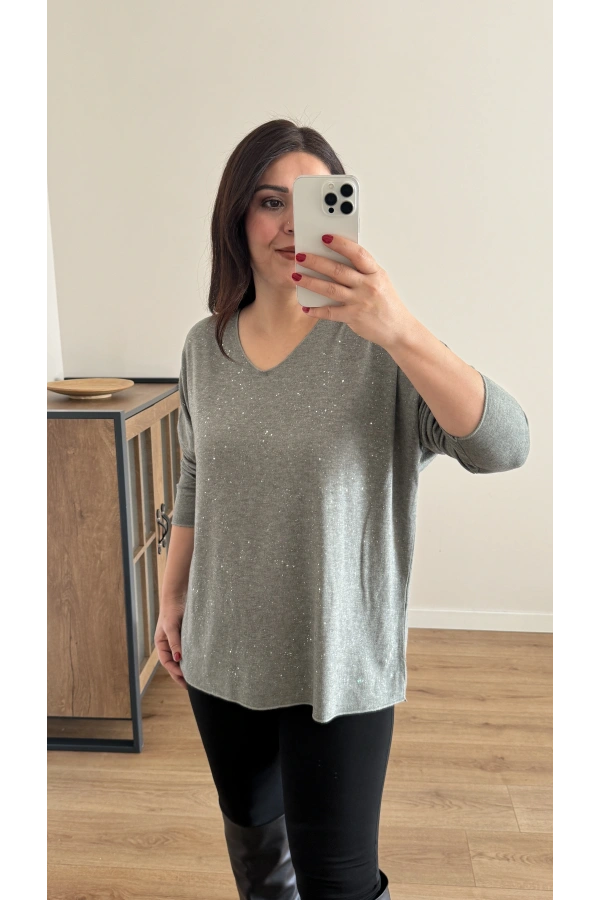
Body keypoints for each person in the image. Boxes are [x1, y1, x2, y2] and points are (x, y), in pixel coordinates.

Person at [154, 119, 530, 900]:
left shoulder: (380, 351)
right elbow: (196, 472)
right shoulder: (203, 346)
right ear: (236, 216)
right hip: (221, 650)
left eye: (312, 200)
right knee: (256, 848)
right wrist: (172, 595)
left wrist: (399, 328)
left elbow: (505, 445)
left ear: (344, 209)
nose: (291, 224)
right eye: (269, 202)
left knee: (339, 881)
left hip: (340, 657)